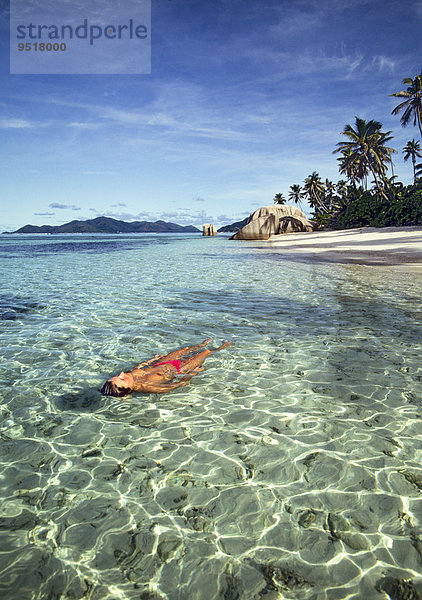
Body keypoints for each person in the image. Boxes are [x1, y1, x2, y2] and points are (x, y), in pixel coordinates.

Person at [100, 338, 233, 397]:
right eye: (121, 379)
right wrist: (193, 373)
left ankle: (202, 344)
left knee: (186, 349)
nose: (122, 373)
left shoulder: (129, 375)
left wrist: (153, 360)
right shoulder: (148, 387)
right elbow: (178, 384)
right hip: (180, 369)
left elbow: (138, 366)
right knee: (206, 353)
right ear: (128, 389)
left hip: (162, 363)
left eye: (118, 376)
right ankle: (221, 348)